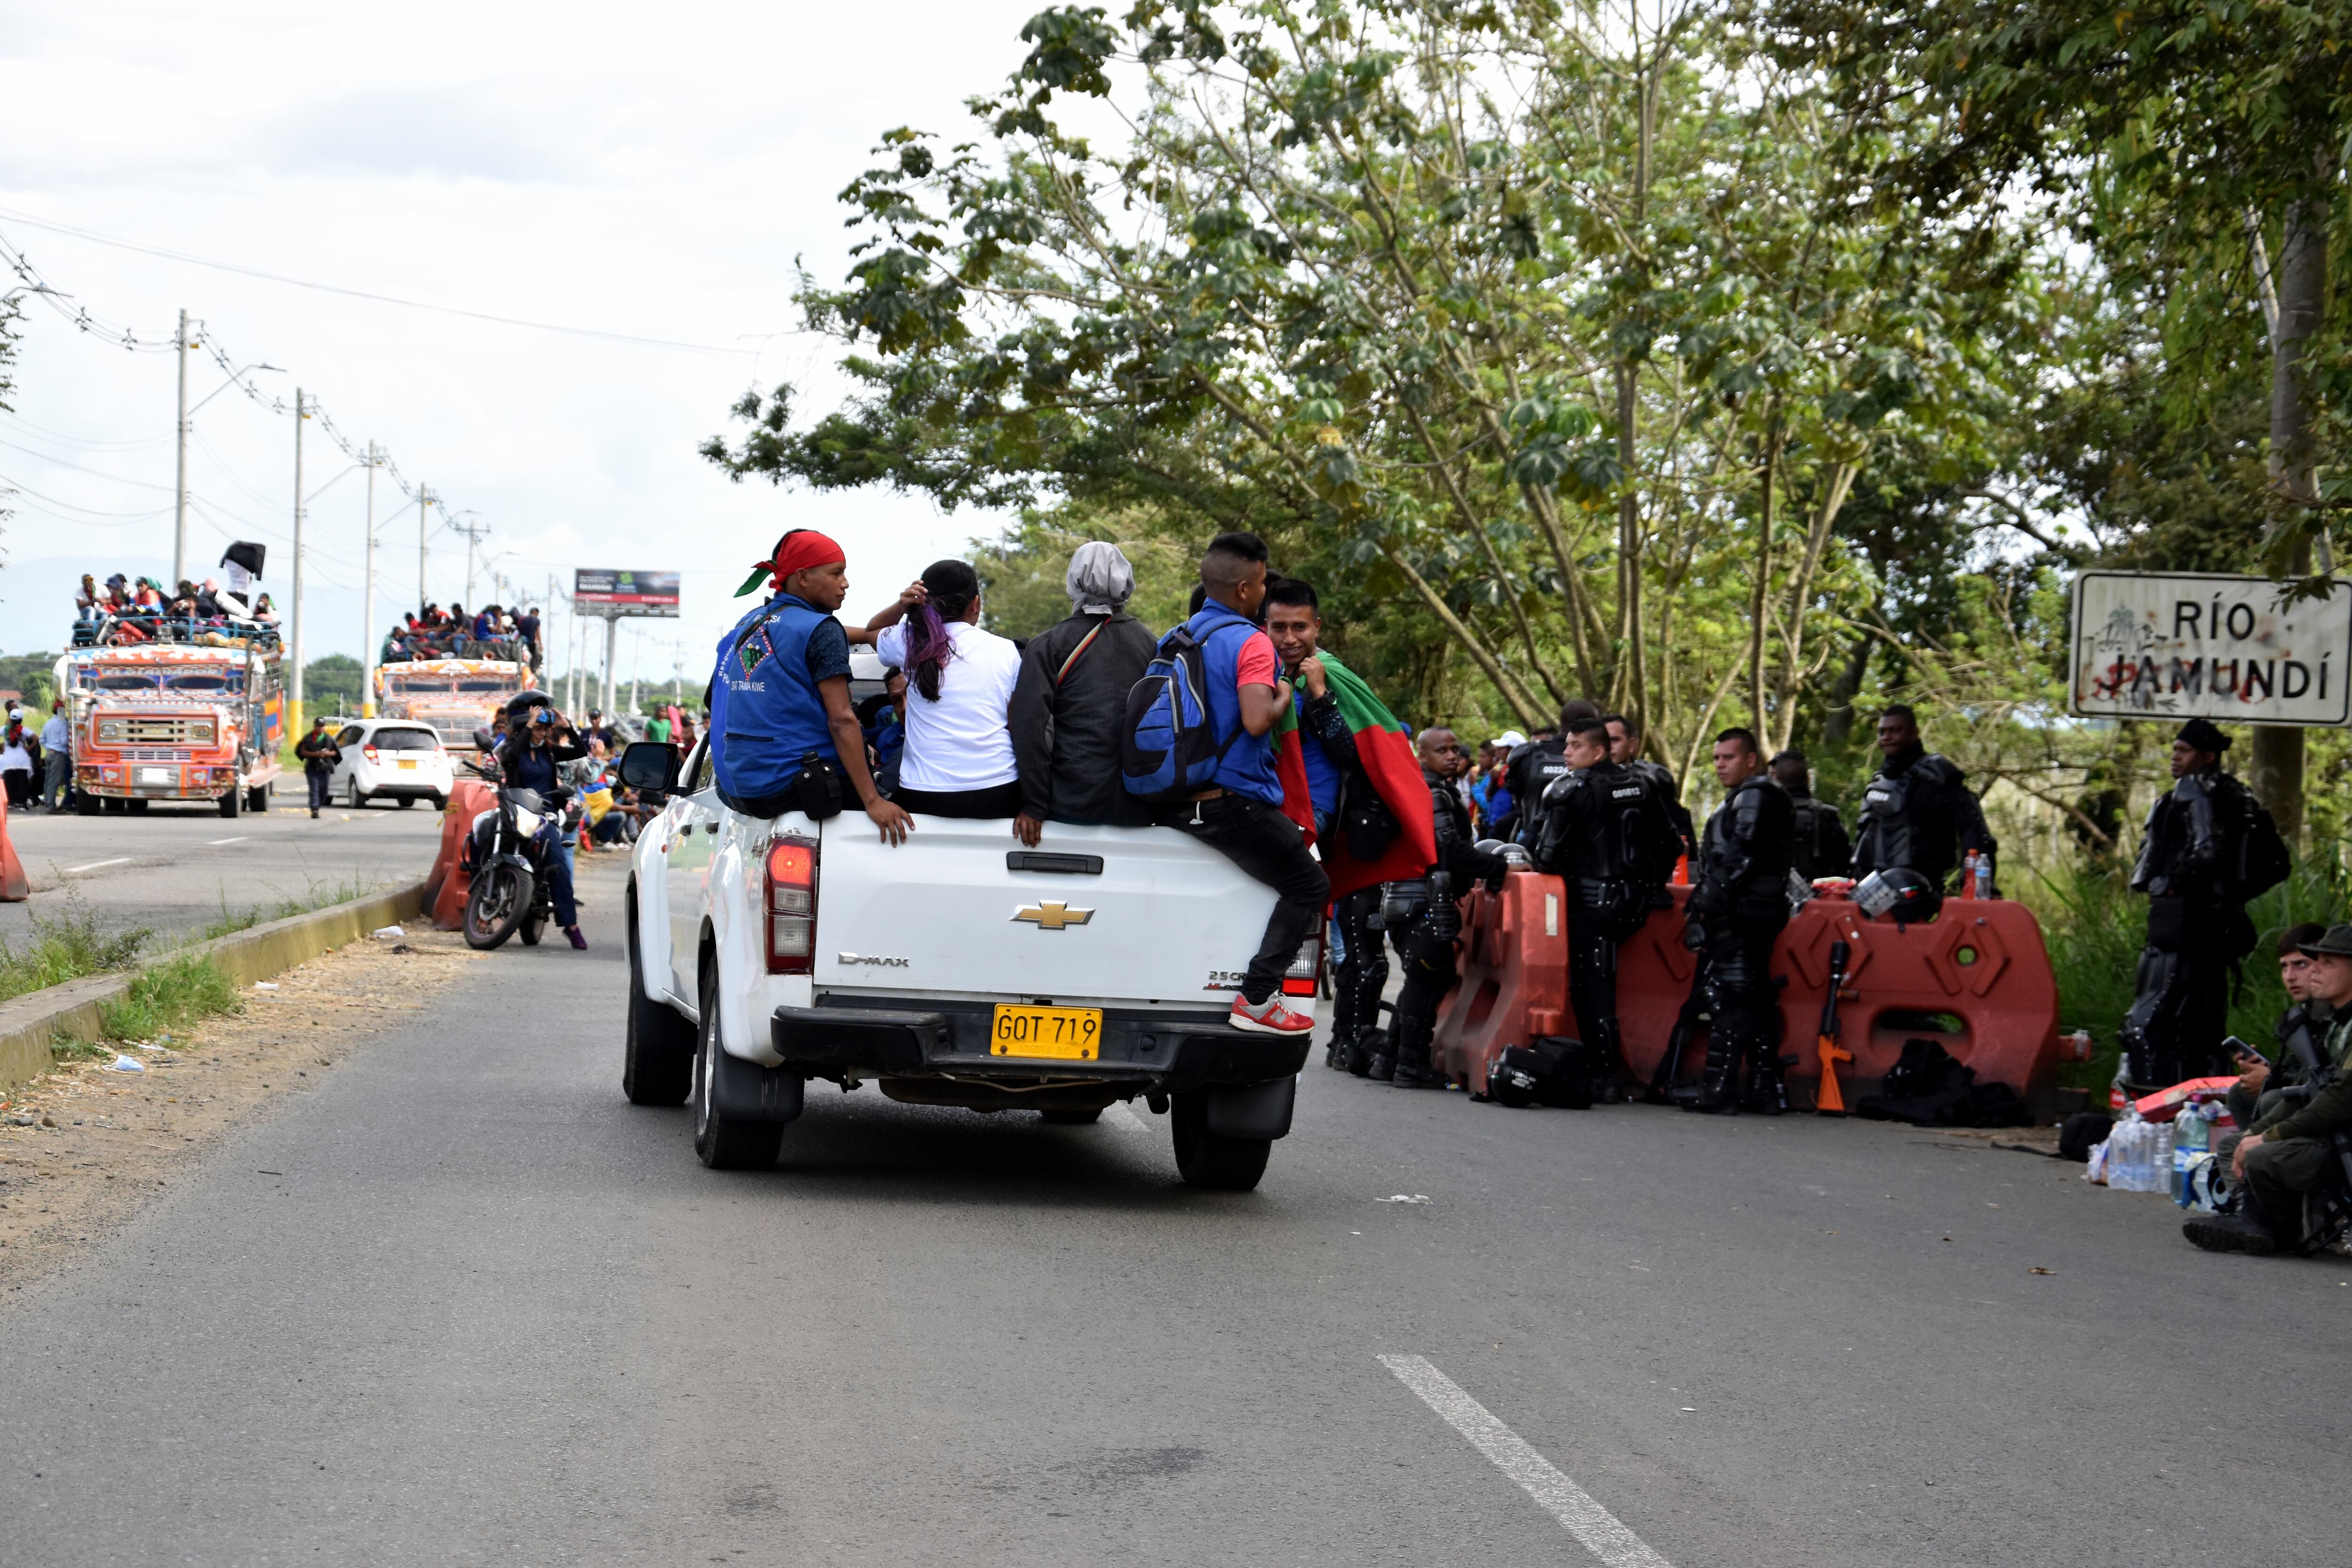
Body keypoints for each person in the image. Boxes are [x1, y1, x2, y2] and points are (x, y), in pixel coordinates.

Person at [1147, 532, 1329, 1036]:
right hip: (1230, 803)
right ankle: (1254, 998)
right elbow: (1255, 720)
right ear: (1248, 589)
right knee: (1309, 884)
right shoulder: (1250, 641)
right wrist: (1286, 686)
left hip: (1175, 798)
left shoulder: (1176, 636)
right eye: (1265, 582)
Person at [1259, 577, 1439, 1071]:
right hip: (1263, 804)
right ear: (1264, 626)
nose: (1289, 637)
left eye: (1300, 627)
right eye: (1279, 627)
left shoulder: (1332, 677)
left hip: (1312, 817)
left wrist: (1318, 697)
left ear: (1317, 627)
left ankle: (1265, 996)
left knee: (1323, 921)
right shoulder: (1256, 668)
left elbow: (1354, 757)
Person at [710, 529, 911, 844]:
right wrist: (874, 802)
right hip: (790, 787)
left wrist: (869, 635)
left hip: (739, 790)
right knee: (907, 787)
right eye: (836, 573)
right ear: (803, 577)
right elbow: (841, 720)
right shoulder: (821, 630)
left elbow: (805, 634)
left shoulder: (750, 623)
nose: (845, 583)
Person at [1532, 716, 1685, 1100]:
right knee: (1605, 986)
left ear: (1598, 751)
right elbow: (1671, 842)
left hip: (1590, 904)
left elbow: (1547, 857)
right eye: (1566, 745)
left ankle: (1605, 1075)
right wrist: (1653, 887)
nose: (1566, 752)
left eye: (1575, 746)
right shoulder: (1642, 784)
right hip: (1634, 902)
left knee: (1591, 990)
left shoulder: (1570, 789)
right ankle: (1609, 1073)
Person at [2185, 925, 2352, 1256]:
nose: (2314, 969)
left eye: (2328, 962)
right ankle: (2253, 1220)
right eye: (2314, 960)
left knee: (2262, 1153)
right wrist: (2255, 1134)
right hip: (2333, 1136)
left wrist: (2267, 1138)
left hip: (2343, 1145)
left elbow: (2337, 1100)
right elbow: (2311, 1090)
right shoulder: (2337, 1024)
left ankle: (2266, 1226)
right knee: (2235, 1145)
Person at [2120, 718, 2260, 1087]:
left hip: (2183, 929)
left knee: (2145, 1027)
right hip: (2212, 930)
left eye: (2184, 750)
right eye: (2174, 750)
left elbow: (2209, 850)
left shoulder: (2197, 793)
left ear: (2208, 756)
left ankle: (2149, 1115)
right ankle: (2203, 1113)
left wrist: (2171, 883)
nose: (2175, 757)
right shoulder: (2234, 796)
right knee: (2201, 1032)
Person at [1367, 727, 1510, 1087]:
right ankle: (1409, 1064)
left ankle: (1390, 1059)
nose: (1451, 755)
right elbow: (1447, 848)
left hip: (1412, 901)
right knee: (1428, 979)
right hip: (1420, 902)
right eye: (1441, 750)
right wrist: (1497, 866)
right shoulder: (1431, 792)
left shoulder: (1431, 788)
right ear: (1423, 756)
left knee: (1423, 978)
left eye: (1453, 749)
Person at [1009, 541, 1160, 844]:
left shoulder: (1048, 646)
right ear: (1126, 583)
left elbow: (1030, 730)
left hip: (1071, 803)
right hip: (1140, 806)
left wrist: (1035, 804)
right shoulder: (1153, 645)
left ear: (1073, 584)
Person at [1682, 727, 1796, 1114]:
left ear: (1751, 759)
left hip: (1745, 911)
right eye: (1716, 758)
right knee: (1753, 996)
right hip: (1751, 908)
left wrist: (1704, 903)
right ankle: (1765, 1089)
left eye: (1727, 757)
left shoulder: (1755, 795)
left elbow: (1742, 857)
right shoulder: (1752, 796)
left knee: (1727, 996)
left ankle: (1720, 1090)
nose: (1719, 765)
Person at [862, 558, 1024, 818]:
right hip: (999, 790)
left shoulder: (909, 640)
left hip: (925, 793)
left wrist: (901, 606)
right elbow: (1017, 726)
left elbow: (873, 630)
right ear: (976, 603)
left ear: (921, 600)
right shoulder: (1006, 650)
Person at [1850, 703, 1995, 891]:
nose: (1886, 738)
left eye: (1895, 731)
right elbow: (1864, 841)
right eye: (1882, 732)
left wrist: (1977, 886)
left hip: (1921, 889)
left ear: (1914, 733)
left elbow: (1974, 833)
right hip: (1870, 890)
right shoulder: (1879, 782)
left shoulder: (1937, 779)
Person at [2218, 923, 2331, 1156]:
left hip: (2328, 1111)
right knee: (2239, 1094)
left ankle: (2270, 1161)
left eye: (2301, 965)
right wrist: (2270, 1072)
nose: (2290, 977)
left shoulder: (2336, 1012)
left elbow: (2328, 1081)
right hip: (2312, 1099)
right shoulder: (2305, 1014)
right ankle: (2252, 1162)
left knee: (2273, 1099)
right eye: (2284, 967)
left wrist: (2270, 1081)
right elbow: (2303, 1069)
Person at [494, 701, 590, 948]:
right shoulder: (512, 750)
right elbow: (511, 757)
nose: (542, 733)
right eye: (538, 728)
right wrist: (527, 726)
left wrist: (566, 726)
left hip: (541, 819)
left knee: (559, 866)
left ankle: (571, 926)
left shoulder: (549, 751)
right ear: (525, 727)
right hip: (514, 813)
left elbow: (581, 750)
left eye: (545, 729)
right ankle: (485, 906)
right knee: (483, 839)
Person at [1503, 703, 1601, 848]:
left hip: (1532, 842)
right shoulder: (1594, 757)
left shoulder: (1526, 756)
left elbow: (1517, 801)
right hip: (1577, 847)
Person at [1605, 712, 1695, 860]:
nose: (1609, 748)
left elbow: (1680, 835)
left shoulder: (1653, 780)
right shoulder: (1583, 783)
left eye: (1615, 740)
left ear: (1632, 745)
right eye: (1604, 741)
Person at [1770, 748, 1851, 882]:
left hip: (1774, 899)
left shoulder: (1765, 818)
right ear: (1808, 779)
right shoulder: (1828, 818)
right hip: (1823, 899)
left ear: (1776, 780)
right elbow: (1843, 867)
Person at [295, 717, 341, 817]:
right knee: (314, 789)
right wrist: (315, 754)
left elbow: (336, 752)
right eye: (319, 726)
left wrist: (327, 754)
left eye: (322, 726)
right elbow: (302, 751)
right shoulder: (308, 738)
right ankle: (314, 809)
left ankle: (318, 805)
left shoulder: (329, 739)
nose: (320, 728)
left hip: (325, 768)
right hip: (312, 767)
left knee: (324, 790)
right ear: (315, 726)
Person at [40, 698, 72, 811]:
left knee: (48, 780)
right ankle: (51, 806)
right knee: (55, 781)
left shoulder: (48, 723)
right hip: (58, 754)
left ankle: (48, 803)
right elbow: (64, 741)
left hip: (49, 753)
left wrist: (49, 748)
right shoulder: (63, 723)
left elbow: (42, 740)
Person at [0, 715, 31, 808]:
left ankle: (10, 802)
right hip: (22, 760)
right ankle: (22, 802)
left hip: (8, 760)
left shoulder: (4, 729)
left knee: (9, 782)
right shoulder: (23, 730)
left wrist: (1, 748)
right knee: (22, 782)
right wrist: (29, 748)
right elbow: (36, 738)